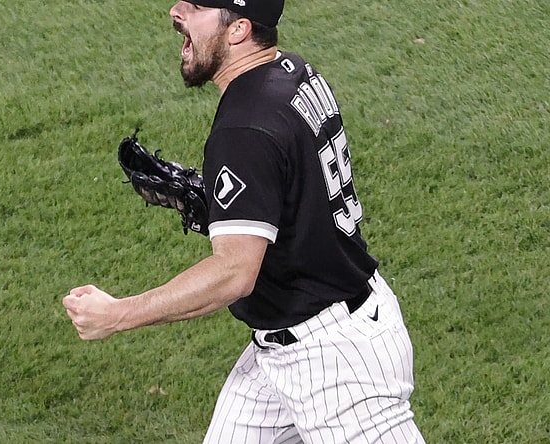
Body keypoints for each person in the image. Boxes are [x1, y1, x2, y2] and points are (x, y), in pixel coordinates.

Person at [63, 1, 425, 442]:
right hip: (290, 342)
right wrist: (227, 208)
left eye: (195, 7)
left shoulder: (244, 129)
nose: (176, 11)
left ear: (238, 30)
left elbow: (234, 274)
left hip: (338, 366)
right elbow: (296, 186)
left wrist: (118, 315)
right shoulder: (292, 71)